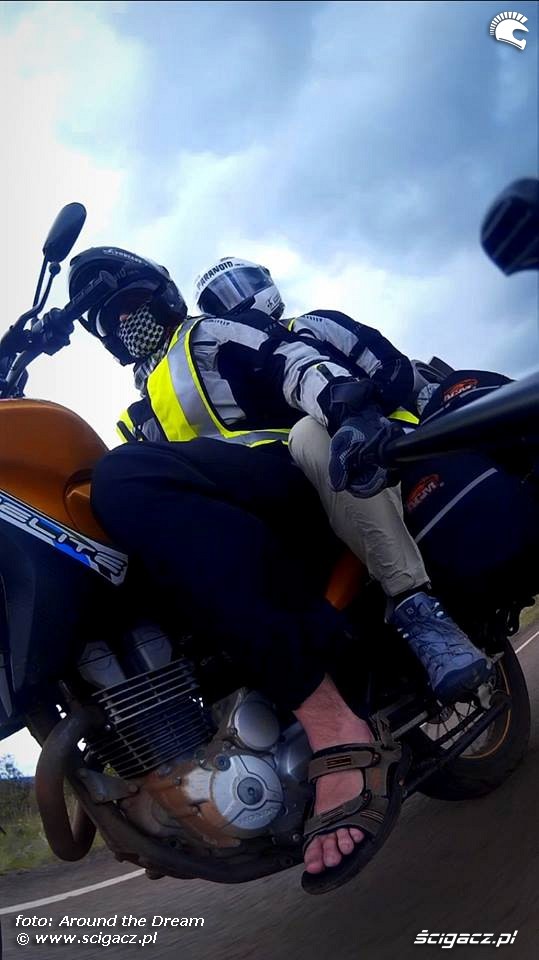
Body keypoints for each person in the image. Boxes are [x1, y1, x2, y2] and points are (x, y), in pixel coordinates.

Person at [70, 247, 486, 895]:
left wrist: (346, 407)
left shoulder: (206, 335)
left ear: (163, 296)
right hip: (228, 529)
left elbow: (288, 360)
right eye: (110, 320)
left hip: (289, 483)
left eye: (131, 305)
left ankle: (339, 721)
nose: (127, 324)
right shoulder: (133, 416)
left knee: (119, 478)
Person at [193, 257, 494, 693]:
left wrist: (359, 411)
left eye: (239, 286)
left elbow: (392, 368)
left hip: (385, 442)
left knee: (307, 431)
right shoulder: (233, 367)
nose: (233, 302)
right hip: (317, 482)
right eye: (218, 300)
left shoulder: (312, 325)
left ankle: (417, 607)